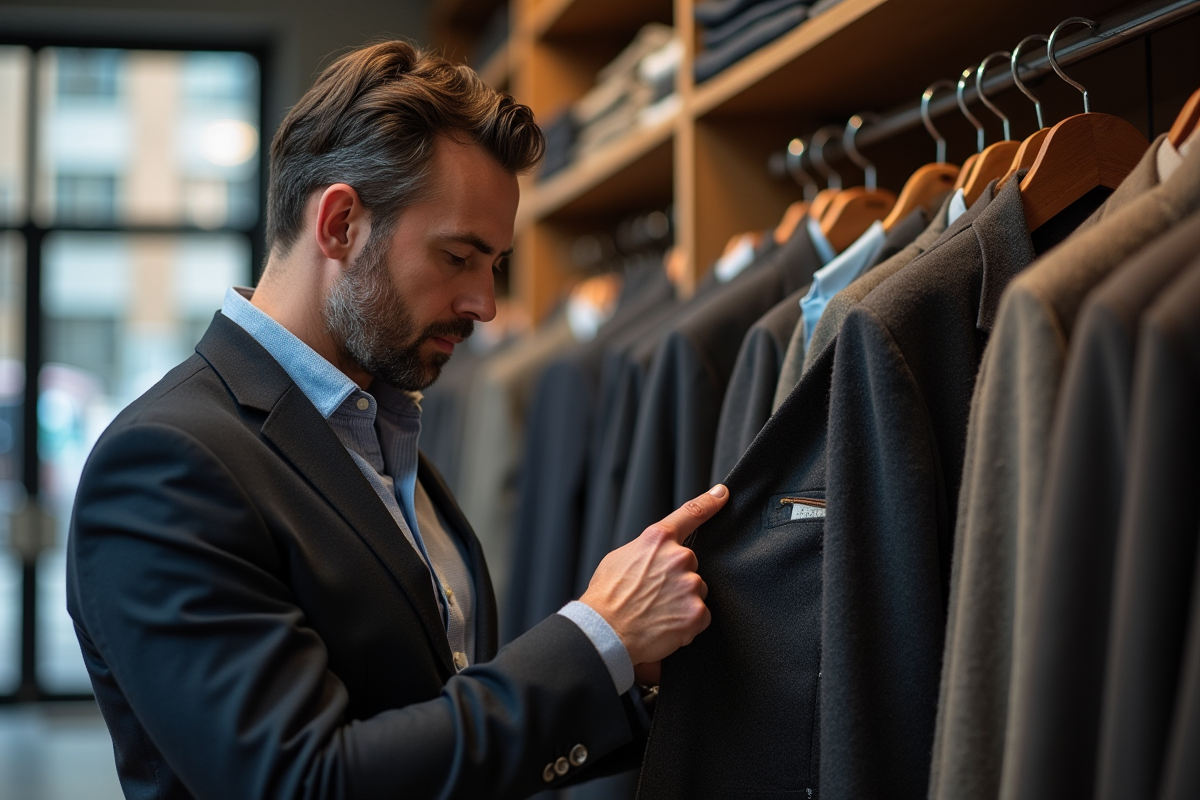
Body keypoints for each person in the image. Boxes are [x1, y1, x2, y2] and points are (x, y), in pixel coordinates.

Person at [66, 40, 727, 800]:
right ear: (341, 223)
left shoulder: (379, 427)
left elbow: (435, 707)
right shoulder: (166, 463)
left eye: (495, 264)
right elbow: (303, 782)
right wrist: (594, 639)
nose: (485, 303)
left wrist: (635, 671)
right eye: (458, 257)